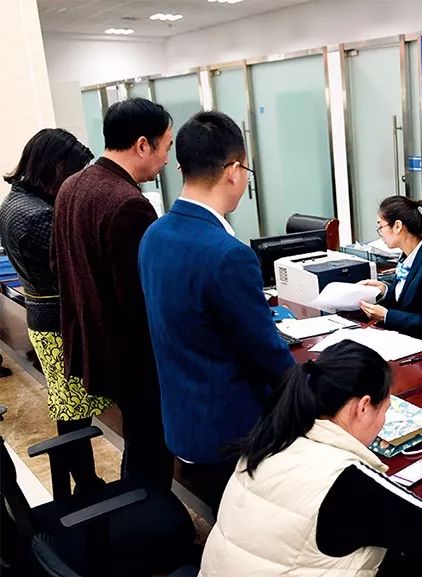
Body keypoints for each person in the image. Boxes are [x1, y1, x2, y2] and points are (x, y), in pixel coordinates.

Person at [200, 340, 422, 577]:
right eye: (385, 409)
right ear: (363, 407)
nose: (383, 422)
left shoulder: (269, 439)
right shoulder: (346, 481)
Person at [139, 111, 295, 512]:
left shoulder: (154, 235)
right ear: (234, 171)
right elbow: (266, 355)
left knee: (218, 514)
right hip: (230, 432)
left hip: (183, 418)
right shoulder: (227, 254)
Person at [51, 97, 174, 488]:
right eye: (166, 146)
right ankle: (148, 514)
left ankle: (139, 504)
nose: (167, 159)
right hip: (131, 355)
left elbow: (58, 265)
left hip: (93, 342)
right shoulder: (128, 204)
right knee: (149, 445)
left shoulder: (72, 186)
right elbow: (138, 300)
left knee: (138, 440)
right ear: (143, 144)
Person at [0, 129, 113, 492]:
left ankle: (81, 482)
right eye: (75, 172)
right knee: (73, 412)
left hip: (46, 317)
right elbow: (73, 270)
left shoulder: (16, 202)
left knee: (69, 408)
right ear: (56, 167)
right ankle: (86, 485)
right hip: (57, 323)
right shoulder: (36, 217)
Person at [357, 196, 422, 342]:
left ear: (397, 226)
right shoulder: (406, 257)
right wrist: (384, 290)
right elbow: (404, 300)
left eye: (380, 227)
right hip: (402, 337)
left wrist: (387, 316)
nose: (380, 234)